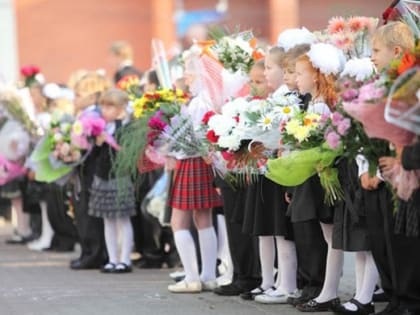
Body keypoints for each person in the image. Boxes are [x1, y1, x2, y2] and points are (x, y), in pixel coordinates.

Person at [241, 47, 298, 304]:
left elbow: (284, 134)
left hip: (279, 171)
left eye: (268, 68)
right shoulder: (271, 99)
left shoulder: (287, 99)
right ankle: (267, 282)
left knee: (279, 230)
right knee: (264, 228)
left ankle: (287, 284)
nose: (266, 73)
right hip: (264, 169)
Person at [292, 43, 343, 312]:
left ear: (315, 75)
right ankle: (327, 290)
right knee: (327, 234)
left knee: (330, 234)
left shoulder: (321, 107)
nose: (296, 78)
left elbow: (322, 143)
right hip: (313, 173)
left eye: (300, 73)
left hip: (320, 174)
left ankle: (329, 291)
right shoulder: (314, 104)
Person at [373, 22, 419, 315]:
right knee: (396, 240)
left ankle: (411, 301)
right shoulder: (392, 86)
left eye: (377, 50)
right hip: (398, 175)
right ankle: (400, 298)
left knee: (410, 244)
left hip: (412, 174)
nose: (373, 56)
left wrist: (405, 156)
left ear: (398, 51)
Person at [167, 48, 223, 293]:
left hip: (192, 161)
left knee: (178, 221)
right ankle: (207, 276)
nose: (186, 76)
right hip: (200, 162)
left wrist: (170, 146)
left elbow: (195, 138)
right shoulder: (203, 99)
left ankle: (192, 277)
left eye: (190, 71)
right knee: (203, 218)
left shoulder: (199, 102)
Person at [213, 60, 268, 297]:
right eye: (252, 81)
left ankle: (252, 275)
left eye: (260, 81)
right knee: (234, 222)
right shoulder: (241, 103)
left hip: (254, 170)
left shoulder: (271, 107)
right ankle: (240, 273)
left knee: (250, 225)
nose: (254, 87)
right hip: (233, 168)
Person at [88, 88, 136, 273]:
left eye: (110, 107)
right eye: (103, 107)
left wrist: (113, 134)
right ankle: (112, 258)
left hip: (119, 177)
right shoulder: (101, 128)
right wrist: (98, 143)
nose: (104, 111)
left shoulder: (126, 127)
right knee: (108, 220)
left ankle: (125, 259)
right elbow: (95, 155)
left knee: (123, 219)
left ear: (120, 108)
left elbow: (126, 152)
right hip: (102, 176)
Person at [70, 72, 110, 270]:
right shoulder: (85, 114)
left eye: (79, 94)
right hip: (85, 165)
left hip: (93, 165)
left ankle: (94, 253)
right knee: (83, 210)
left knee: (91, 211)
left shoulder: (94, 114)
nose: (75, 98)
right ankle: (88, 250)